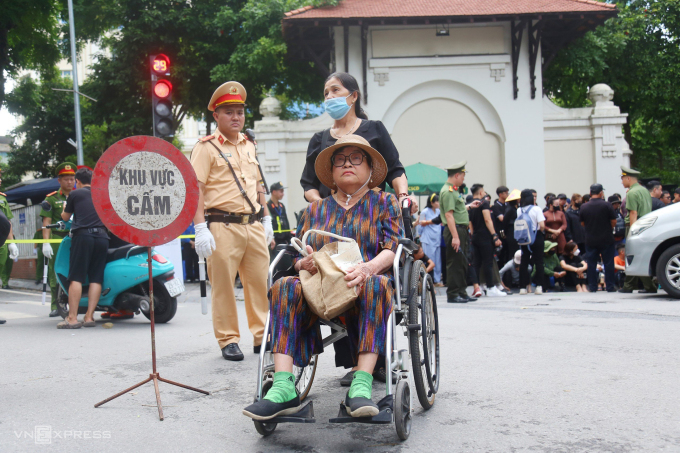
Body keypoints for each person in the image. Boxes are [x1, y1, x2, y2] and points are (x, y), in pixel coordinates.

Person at [242, 134, 403, 420]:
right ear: (331, 173)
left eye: (355, 158)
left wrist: (367, 268)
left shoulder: (384, 203)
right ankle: (282, 387)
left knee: (378, 284)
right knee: (284, 285)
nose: (347, 164)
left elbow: (392, 249)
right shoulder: (314, 211)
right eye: (339, 160)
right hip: (319, 290)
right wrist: (303, 263)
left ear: (369, 169)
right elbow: (296, 255)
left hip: (362, 287)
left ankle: (361, 385)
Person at [190, 81, 275, 360]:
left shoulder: (249, 145)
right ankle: (228, 338)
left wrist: (267, 217)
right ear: (216, 116)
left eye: (239, 111)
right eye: (228, 112)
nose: (236, 117)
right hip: (221, 224)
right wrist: (200, 228)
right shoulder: (206, 148)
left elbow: (258, 183)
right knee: (224, 286)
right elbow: (195, 190)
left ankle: (262, 336)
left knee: (260, 283)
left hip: (251, 224)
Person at [300, 72, 411, 210]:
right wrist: (325, 208)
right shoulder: (319, 140)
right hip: (332, 221)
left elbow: (395, 170)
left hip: (372, 214)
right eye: (326, 93)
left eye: (335, 90)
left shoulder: (374, 129)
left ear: (354, 96)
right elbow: (308, 184)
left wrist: (403, 196)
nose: (329, 97)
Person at [57, 168, 109, 329]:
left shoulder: (75, 194)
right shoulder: (102, 194)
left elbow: (65, 217)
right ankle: (89, 317)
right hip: (102, 237)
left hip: (83, 236)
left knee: (77, 277)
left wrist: (64, 207)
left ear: (77, 181)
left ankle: (72, 318)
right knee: (96, 277)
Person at [440, 161, 481, 303]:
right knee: (455, 263)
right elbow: (449, 215)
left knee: (462, 262)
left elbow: (457, 210)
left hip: (460, 229)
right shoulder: (448, 191)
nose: (464, 179)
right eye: (463, 176)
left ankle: (462, 291)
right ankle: (453, 294)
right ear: (456, 175)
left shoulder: (454, 190)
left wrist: (469, 206)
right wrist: (455, 237)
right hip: (455, 230)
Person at [40, 162, 76, 317]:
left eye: (72, 178)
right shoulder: (51, 199)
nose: (70, 181)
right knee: (56, 273)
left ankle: (77, 304)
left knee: (76, 272)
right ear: (59, 181)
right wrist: (46, 242)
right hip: (58, 239)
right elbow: (46, 223)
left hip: (75, 238)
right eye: (66, 179)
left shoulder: (79, 195)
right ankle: (56, 305)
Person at [619, 166, 656, 294]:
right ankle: (630, 285)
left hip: (635, 225)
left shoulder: (631, 193)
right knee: (639, 255)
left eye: (623, 178)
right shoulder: (644, 190)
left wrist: (632, 231)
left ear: (628, 178)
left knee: (633, 255)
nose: (622, 181)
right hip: (646, 225)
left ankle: (646, 286)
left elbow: (633, 213)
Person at [469, 184, 505, 297]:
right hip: (485, 236)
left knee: (477, 263)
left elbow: (470, 222)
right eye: (484, 192)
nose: (485, 194)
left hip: (475, 236)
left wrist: (473, 233)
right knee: (488, 262)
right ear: (480, 193)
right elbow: (487, 219)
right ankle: (490, 287)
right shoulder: (484, 203)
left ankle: (478, 287)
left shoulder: (470, 205)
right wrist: (494, 235)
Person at [578, 183, 617, 292]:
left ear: (590, 193)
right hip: (606, 238)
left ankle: (593, 286)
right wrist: (608, 228)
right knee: (608, 262)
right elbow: (613, 221)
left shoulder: (584, 206)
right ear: (601, 193)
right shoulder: (607, 205)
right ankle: (609, 286)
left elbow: (582, 223)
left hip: (590, 238)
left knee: (591, 263)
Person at [518, 189, 546, 295]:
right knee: (538, 261)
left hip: (524, 237)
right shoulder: (536, 209)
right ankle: (539, 287)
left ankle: (522, 287)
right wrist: (540, 232)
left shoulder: (519, 210)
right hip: (536, 235)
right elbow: (542, 225)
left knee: (524, 262)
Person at [415, 193, 442, 285]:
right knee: (430, 260)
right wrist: (420, 235)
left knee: (438, 261)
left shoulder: (439, 211)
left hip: (437, 239)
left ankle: (437, 280)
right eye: (437, 201)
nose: (438, 203)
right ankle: (430, 280)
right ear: (432, 202)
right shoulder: (424, 211)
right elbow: (419, 224)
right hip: (427, 239)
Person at [267, 182, 293, 268]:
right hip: (275, 242)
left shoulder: (282, 206)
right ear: (274, 192)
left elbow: (286, 222)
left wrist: (289, 238)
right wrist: (271, 238)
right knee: (275, 266)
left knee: (287, 265)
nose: (283, 194)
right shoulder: (268, 206)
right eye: (281, 191)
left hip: (284, 241)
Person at [0, 169, 19, 289]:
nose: (0, 180)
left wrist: (11, 242)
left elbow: (8, 221)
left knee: (1, 263)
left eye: (0, 177)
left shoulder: (2, 199)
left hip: (1, 240)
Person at [502, 189, 521, 263]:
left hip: (517, 231)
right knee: (512, 252)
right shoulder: (510, 209)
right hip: (511, 232)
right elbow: (505, 222)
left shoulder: (518, 208)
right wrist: (505, 233)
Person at [492, 186, 509, 262]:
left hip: (508, 232)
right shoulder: (496, 206)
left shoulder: (507, 205)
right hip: (500, 233)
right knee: (501, 255)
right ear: (500, 195)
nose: (507, 195)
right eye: (506, 193)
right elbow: (502, 218)